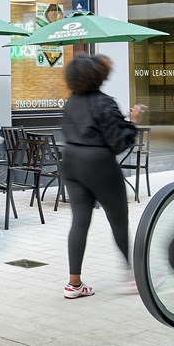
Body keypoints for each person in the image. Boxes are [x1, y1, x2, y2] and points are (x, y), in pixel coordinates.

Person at [60, 54, 143, 299]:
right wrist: (133, 122)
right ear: (97, 76)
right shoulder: (105, 102)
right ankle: (132, 278)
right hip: (99, 164)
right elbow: (119, 143)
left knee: (79, 221)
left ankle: (74, 284)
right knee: (118, 219)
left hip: (71, 161)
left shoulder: (70, 102)